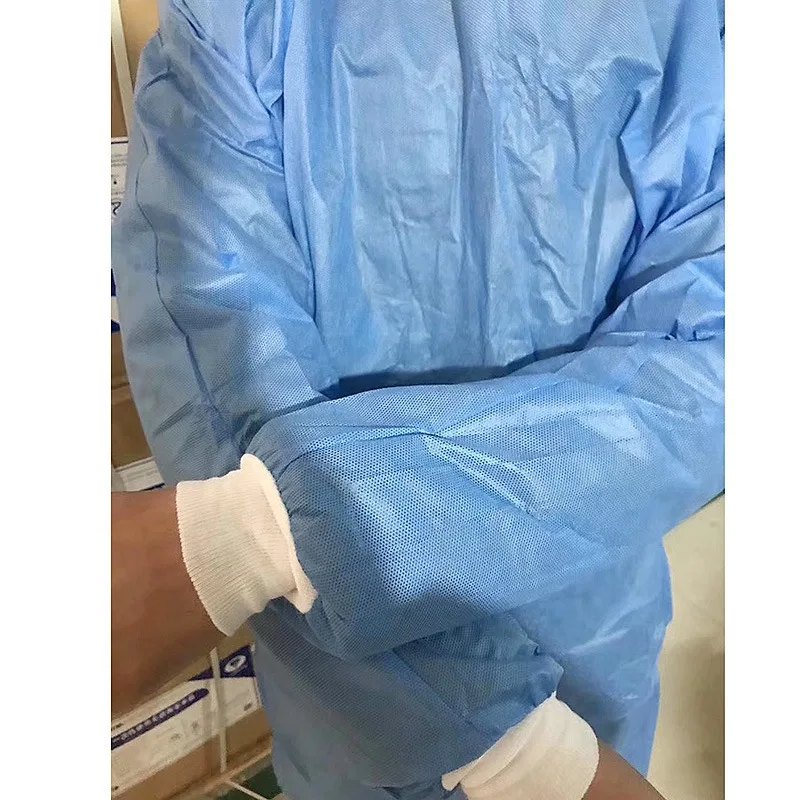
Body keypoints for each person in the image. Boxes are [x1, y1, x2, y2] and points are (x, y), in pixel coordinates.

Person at [111, 1, 724, 799]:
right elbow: (217, 358)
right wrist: (529, 756)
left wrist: (261, 533)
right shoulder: (240, 21)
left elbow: (714, 360)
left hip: (564, 665)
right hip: (372, 721)